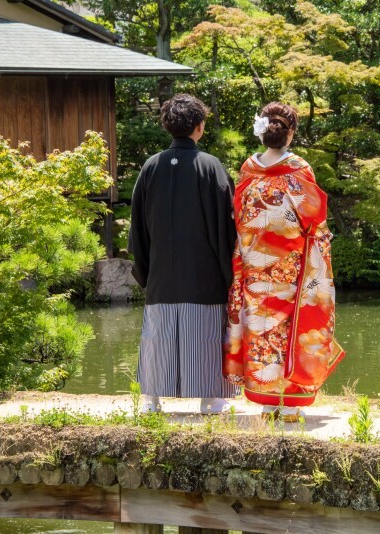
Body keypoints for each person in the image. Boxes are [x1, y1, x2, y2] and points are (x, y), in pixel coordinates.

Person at [223, 102, 344, 419]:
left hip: (255, 265)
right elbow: (314, 220)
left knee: (262, 330)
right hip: (292, 267)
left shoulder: (248, 170)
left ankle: (266, 401)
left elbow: (239, 217)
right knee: (292, 330)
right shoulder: (299, 171)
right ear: (290, 134)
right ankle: (289, 405)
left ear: (263, 132)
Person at [129, 94, 238, 414]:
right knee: (204, 335)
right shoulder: (210, 166)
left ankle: (151, 398)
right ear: (199, 127)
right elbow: (227, 224)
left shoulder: (151, 166)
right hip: (203, 273)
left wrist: (145, 269)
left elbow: (137, 225)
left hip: (162, 272)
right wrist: (229, 272)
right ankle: (211, 398)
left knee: (158, 335)